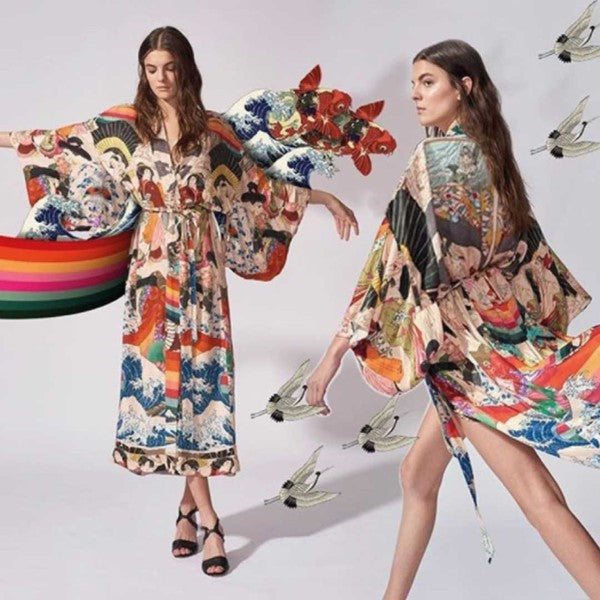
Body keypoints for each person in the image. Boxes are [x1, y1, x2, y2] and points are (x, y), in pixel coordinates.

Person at [0, 26, 359, 576]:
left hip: (203, 272)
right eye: (151, 69)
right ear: (142, 72)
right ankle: (209, 519)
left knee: (201, 385)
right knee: (164, 388)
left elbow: (258, 187)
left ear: (185, 69)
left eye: (169, 67)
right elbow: (61, 141)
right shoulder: (126, 126)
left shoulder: (212, 133)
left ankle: (189, 514)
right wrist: (3, 138)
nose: (161, 78)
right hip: (150, 271)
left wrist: (324, 197)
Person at [306, 39, 600, 600]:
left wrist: (333, 356)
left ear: (463, 86)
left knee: (536, 496)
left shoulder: (434, 160)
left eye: (428, 82)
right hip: (491, 338)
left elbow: (389, 266)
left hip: (470, 357)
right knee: (417, 476)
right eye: (413, 83)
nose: (415, 95)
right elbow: (528, 260)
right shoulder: (493, 156)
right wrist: (524, 337)